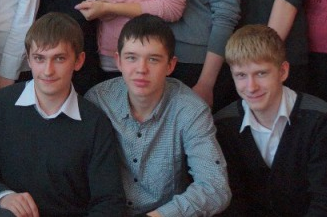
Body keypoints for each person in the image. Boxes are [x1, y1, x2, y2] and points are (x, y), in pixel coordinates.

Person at [0, 12, 126, 217]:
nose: (48, 70)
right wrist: (4, 197)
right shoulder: (1, 105)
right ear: (28, 59)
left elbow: (109, 201)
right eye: (40, 58)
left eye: (59, 58)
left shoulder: (94, 122)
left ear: (79, 61)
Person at [87, 14, 231, 217]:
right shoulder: (98, 100)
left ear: (170, 65)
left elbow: (215, 188)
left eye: (153, 59)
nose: (141, 69)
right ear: (118, 61)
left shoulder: (190, 109)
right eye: (131, 57)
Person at [214, 24, 327, 217]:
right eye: (241, 75)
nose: (251, 87)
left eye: (261, 73)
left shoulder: (321, 120)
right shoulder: (223, 124)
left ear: (283, 71)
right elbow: (231, 201)